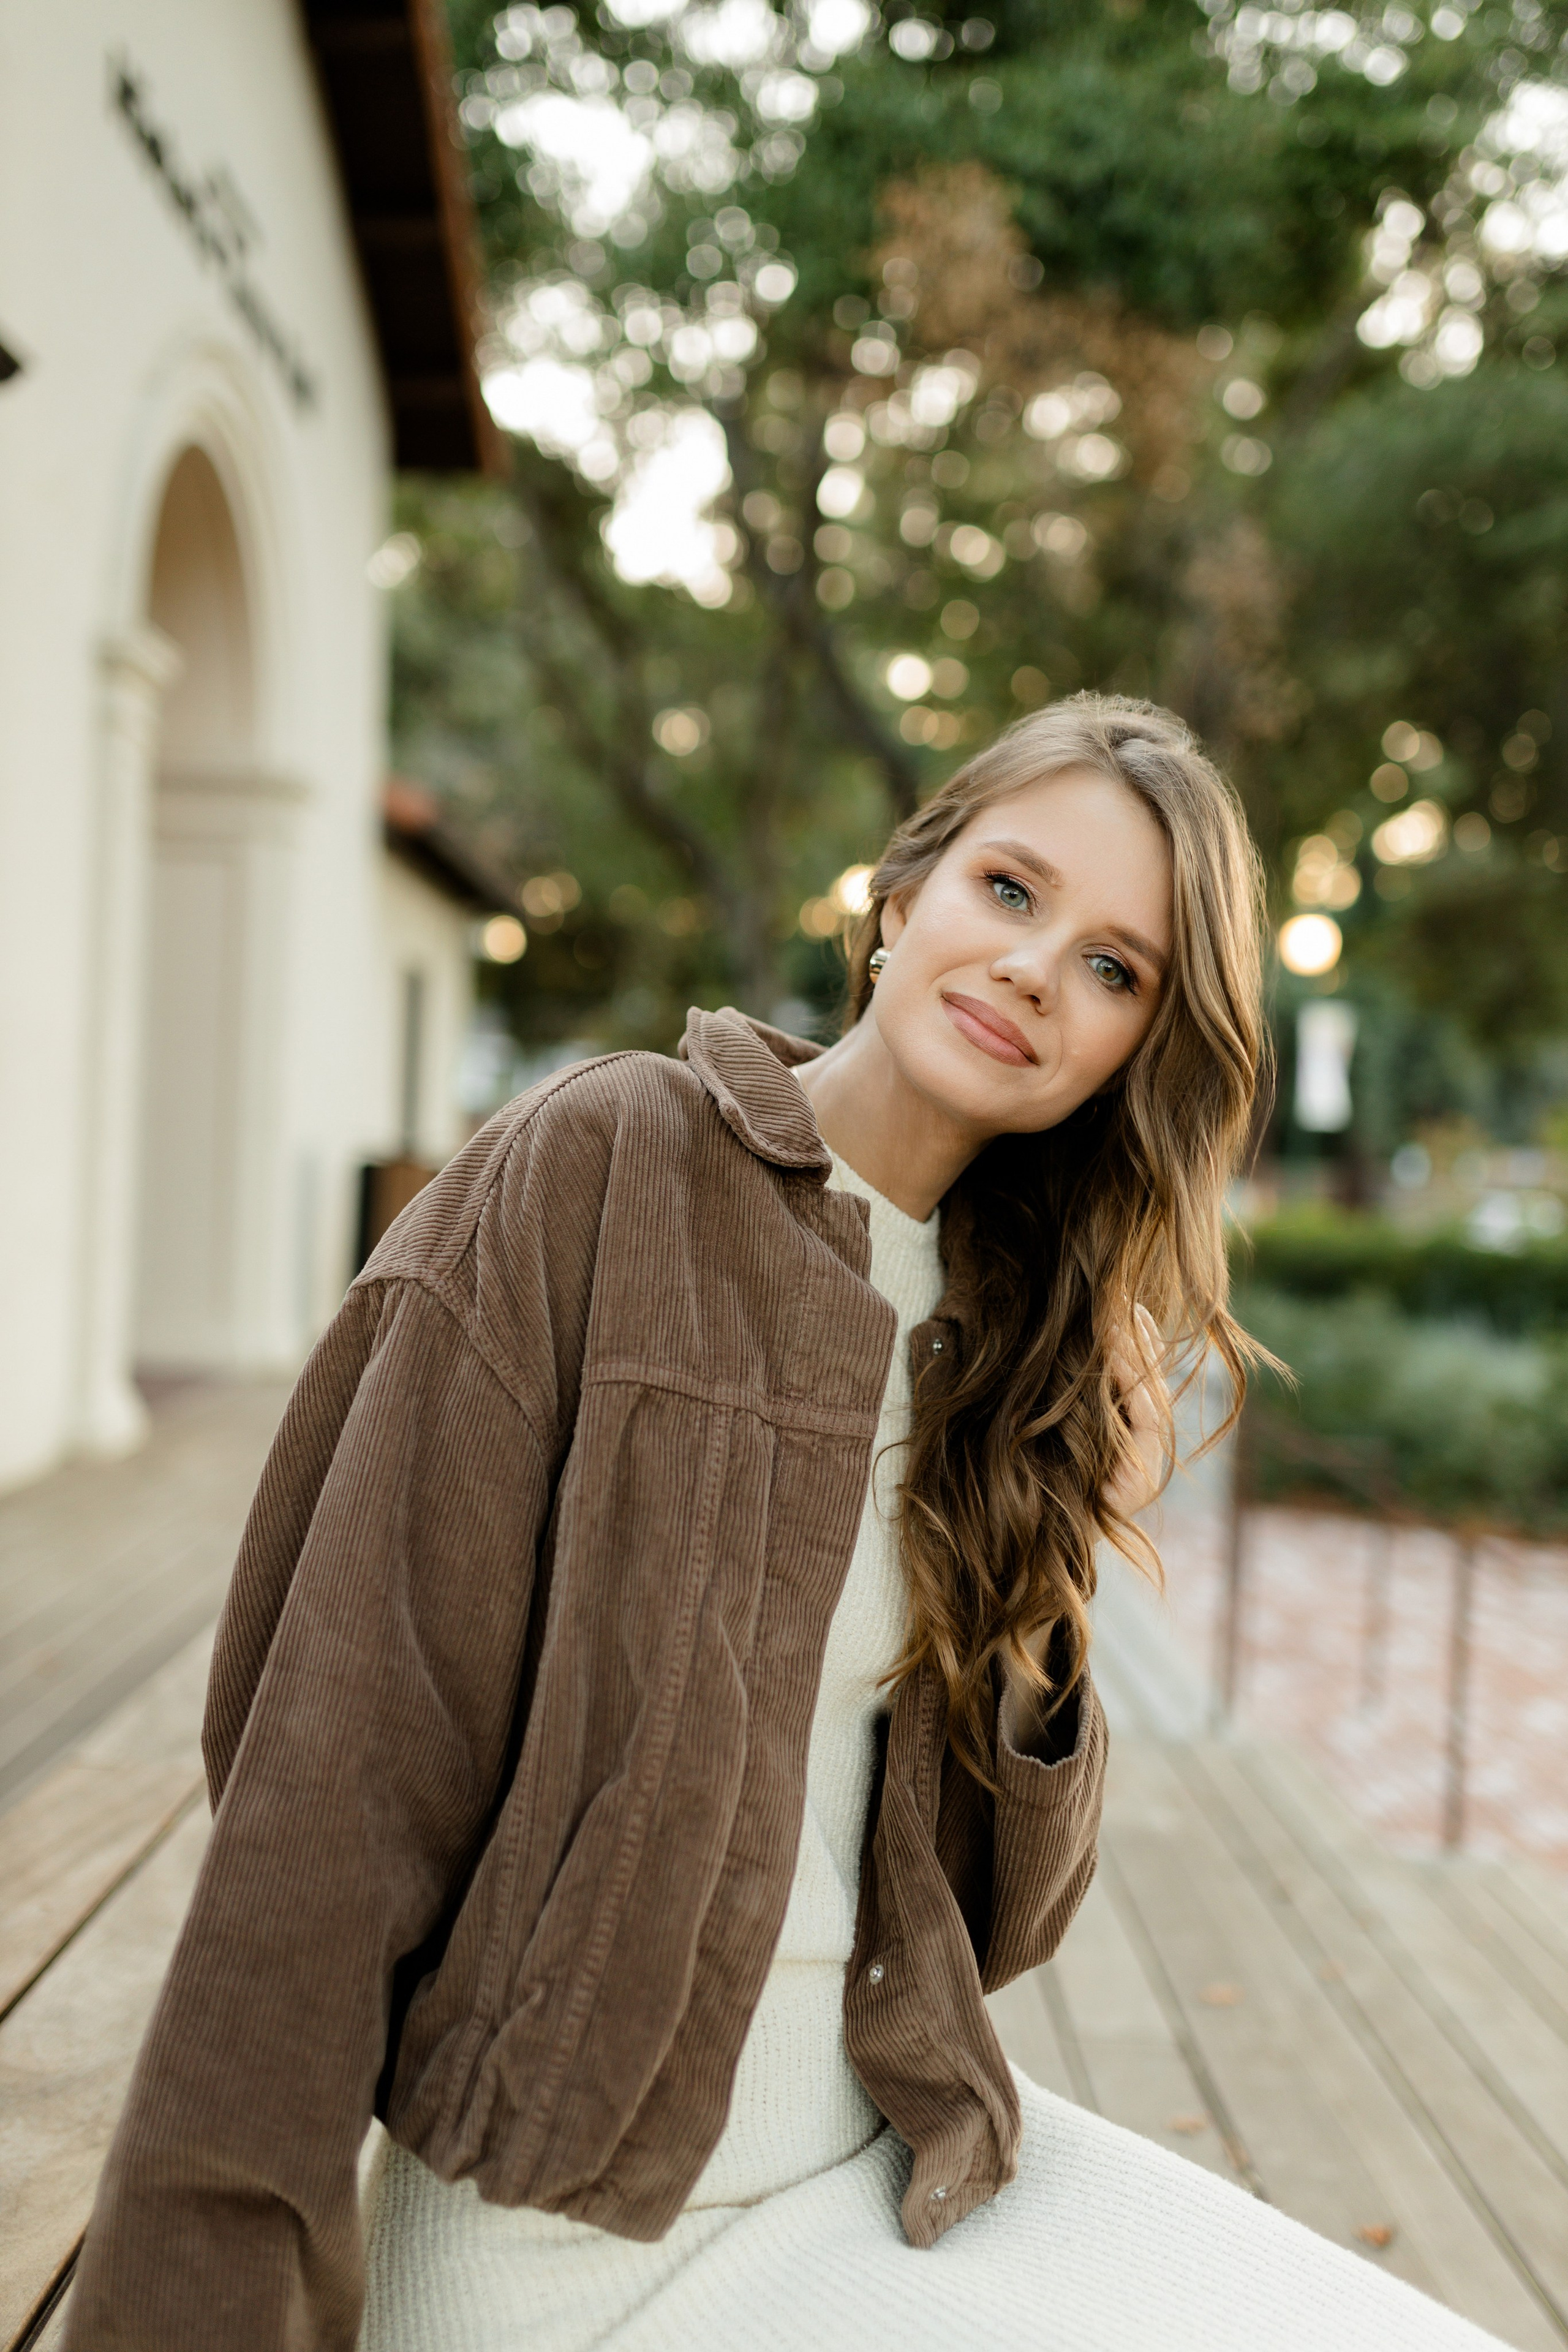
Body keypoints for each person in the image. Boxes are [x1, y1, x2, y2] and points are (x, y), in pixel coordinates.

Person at [65, 696, 1504, 2352]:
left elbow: (996, 1924)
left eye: (1117, 970)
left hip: (899, 2158)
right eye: (1011, 891)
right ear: (903, 898)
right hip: (572, 2234)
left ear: (1135, 1054)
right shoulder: (602, 1168)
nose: (1039, 970)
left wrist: (1060, 1585)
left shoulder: (1014, 1330)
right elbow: (327, 1795)